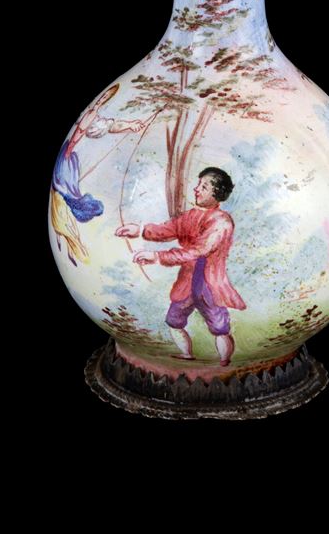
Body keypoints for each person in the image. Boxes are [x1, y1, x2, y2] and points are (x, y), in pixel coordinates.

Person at [115, 167, 246, 366]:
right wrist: (140, 230)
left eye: (204, 186)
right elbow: (168, 229)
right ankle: (186, 354)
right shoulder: (190, 215)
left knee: (219, 326)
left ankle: (225, 362)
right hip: (187, 281)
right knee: (174, 320)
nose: (196, 189)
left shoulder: (222, 222)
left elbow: (198, 251)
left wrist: (158, 257)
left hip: (209, 284)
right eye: (199, 184)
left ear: (217, 193)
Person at [51, 84, 145, 265]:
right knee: (64, 195)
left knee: (70, 197)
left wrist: (130, 125)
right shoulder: (90, 114)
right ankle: (67, 237)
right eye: (103, 98)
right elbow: (94, 129)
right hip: (68, 159)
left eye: (105, 98)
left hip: (69, 161)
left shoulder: (96, 117)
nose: (102, 100)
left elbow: (112, 126)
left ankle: (72, 240)